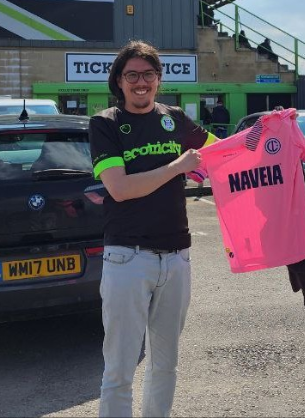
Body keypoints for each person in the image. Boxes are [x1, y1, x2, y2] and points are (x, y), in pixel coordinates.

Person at [89, 40, 215, 418]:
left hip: (176, 257)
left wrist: (271, 132)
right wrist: (178, 167)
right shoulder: (105, 124)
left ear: (159, 79)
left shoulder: (174, 117)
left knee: (166, 365)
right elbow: (120, 188)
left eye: (148, 74)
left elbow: (223, 153)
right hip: (127, 258)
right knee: (119, 370)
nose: (140, 83)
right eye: (132, 75)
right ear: (119, 81)